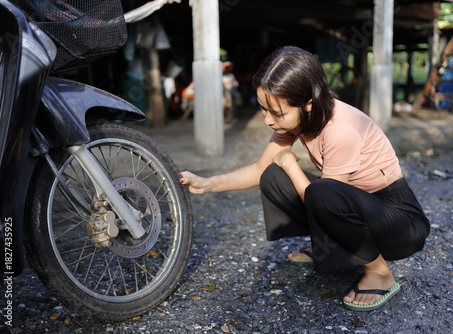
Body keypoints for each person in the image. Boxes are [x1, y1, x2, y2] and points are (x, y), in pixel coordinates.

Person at [179, 46, 430, 311]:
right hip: (357, 207)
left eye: (276, 113)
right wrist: (207, 184)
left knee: (321, 191)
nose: (267, 120)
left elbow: (323, 199)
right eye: (263, 109)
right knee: (273, 175)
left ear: (308, 103)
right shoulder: (299, 119)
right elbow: (260, 169)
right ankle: (331, 246)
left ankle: (379, 272)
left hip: (400, 223)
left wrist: (290, 163)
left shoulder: (341, 129)